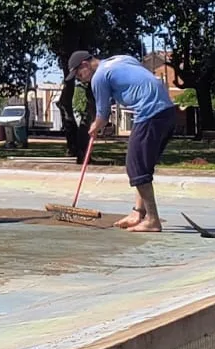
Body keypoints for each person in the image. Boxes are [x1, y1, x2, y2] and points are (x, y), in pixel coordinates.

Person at [66, 50, 177, 232]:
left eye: (79, 74)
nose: (80, 79)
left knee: (135, 166)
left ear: (85, 65)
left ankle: (152, 220)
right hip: (167, 111)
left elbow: (103, 114)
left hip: (150, 113)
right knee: (142, 166)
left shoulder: (98, 77)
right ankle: (138, 213)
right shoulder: (120, 59)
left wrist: (95, 127)